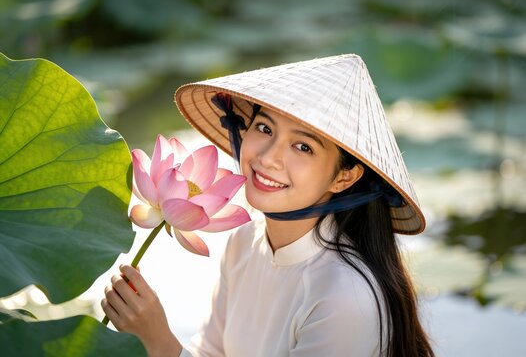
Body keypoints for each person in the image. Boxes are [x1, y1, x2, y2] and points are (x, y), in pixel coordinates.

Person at [102, 54, 435, 356]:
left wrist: (158, 342)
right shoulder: (244, 241)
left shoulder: (345, 298)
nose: (268, 157)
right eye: (264, 128)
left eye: (303, 147)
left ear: (344, 177)